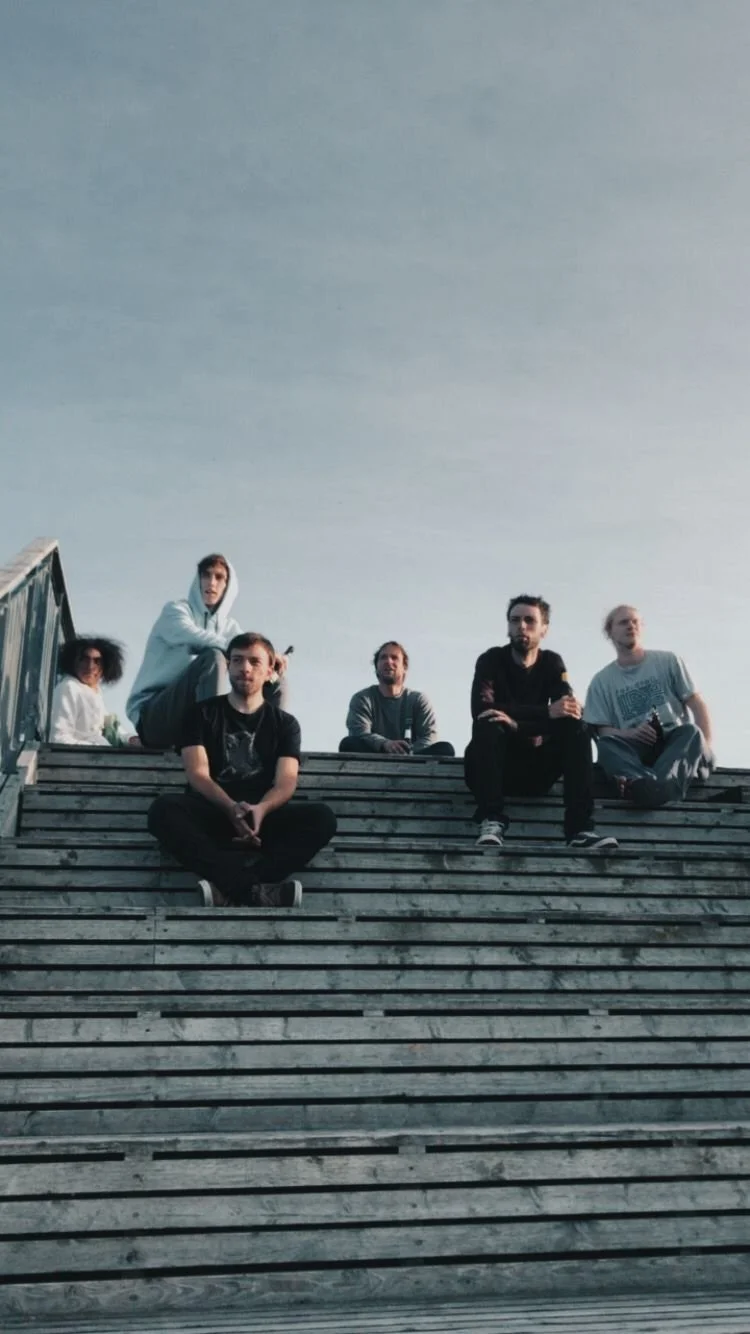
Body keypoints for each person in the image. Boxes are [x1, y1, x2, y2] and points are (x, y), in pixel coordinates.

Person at [147, 632, 336, 908]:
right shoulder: (200, 714)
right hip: (213, 813)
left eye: (254, 662)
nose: (245, 668)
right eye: (237, 660)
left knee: (322, 818)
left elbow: (286, 781)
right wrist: (230, 808)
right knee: (162, 812)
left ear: (270, 669)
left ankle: (232, 887)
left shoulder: (285, 724)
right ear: (228, 665)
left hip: (262, 819)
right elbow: (197, 773)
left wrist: (261, 810)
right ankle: (254, 891)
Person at [464, 596, 618, 851]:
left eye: (529, 621)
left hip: (536, 771)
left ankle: (579, 829)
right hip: (491, 770)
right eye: (515, 620)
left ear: (544, 629)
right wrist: (544, 713)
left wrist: (518, 724)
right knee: (489, 722)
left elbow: (566, 713)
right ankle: (491, 819)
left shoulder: (552, 663)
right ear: (508, 627)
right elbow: (480, 709)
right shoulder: (490, 660)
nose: (521, 626)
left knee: (577, 726)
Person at [126, 553, 288, 750]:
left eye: (219, 577)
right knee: (213, 658)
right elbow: (193, 637)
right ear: (198, 579)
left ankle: (266, 748)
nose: (211, 582)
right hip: (155, 717)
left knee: (272, 679)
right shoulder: (176, 611)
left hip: (193, 721)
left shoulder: (230, 627)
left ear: (228, 585)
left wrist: (271, 661)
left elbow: (250, 650)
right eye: (206, 575)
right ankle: (212, 741)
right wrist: (242, 651)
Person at [584, 604, 715, 808]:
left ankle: (654, 787)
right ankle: (645, 785)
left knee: (691, 732)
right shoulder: (601, 681)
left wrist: (704, 746)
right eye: (624, 622)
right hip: (638, 753)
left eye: (636, 622)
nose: (631, 626)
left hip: (674, 743)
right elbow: (603, 731)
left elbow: (696, 704)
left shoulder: (668, 661)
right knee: (606, 745)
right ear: (609, 631)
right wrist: (632, 734)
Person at [339, 641, 455, 756]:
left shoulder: (418, 700)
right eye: (383, 658)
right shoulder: (363, 699)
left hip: (412, 761)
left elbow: (430, 736)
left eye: (394, 658)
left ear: (404, 667)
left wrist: (406, 752)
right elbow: (359, 732)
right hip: (375, 757)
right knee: (348, 743)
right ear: (376, 666)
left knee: (445, 749)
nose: (388, 661)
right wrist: (385, 744)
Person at [50, 637, 125, 746]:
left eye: (97, 661)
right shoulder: (69, 688)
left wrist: (132, 739)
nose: (90, 667)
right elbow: (58, 738)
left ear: (105, 667)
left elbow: (110, 724)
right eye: (84, 660)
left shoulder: (95, 691)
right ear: (73, 662)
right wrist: (97, 748)